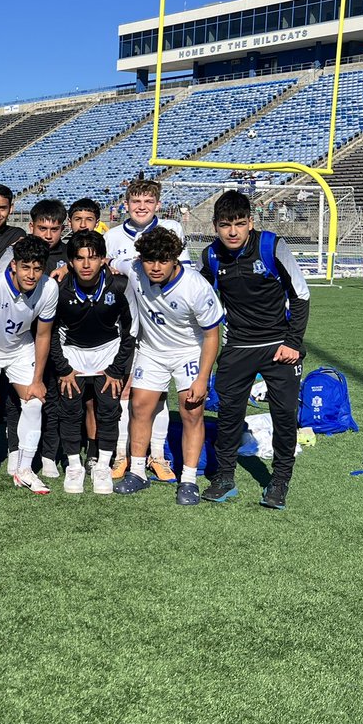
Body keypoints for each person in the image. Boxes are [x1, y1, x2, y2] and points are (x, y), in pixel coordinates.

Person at [199, 191, 310, 509]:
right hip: (237, 346)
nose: (232, 231)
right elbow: (198, 298)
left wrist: (293, 343)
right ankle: (224, 477)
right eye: (225, 225)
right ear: (216, 226)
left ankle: (279, 481)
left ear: (251, 222)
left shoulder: (271, 246)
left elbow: (300, 296)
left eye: (239, 223)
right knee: (229, 415)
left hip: (279, 347)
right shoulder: (210, 257)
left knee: (284, 415)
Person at [113, 227, 221, 505]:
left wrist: (202, 378)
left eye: (163, 260)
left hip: (188, 353)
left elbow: (211, 336)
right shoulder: (136, 269)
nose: (156, 267)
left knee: (191, 413)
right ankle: (137, 472)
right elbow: (111, 261)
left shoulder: (195, 286)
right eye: (150, 260)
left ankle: (188, 480)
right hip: (151, 351)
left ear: (175, 259)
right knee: (140, 407)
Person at [103, 179, 189, 485]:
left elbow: (185, 271)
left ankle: (157, 455)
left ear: (157, 204)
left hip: (160, 327)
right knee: (124, 392)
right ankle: (122, 454)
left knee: (158, 396)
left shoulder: (171, 230)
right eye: (136, 201)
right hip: (123, 325)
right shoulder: (112, 236)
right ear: (125, 204)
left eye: (148, 202)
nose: (142, 207)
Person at [48, 230, 135, 495]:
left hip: (107, 354)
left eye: (93, 258)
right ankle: (74, 465)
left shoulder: (119, 286)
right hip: (72, 354)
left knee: (108, 411)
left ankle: (103, 466)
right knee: (70, 410)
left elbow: (130, 331)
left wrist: (117, 369)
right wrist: (63, 368)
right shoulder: (58, 288)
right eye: (80, 258)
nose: (86, 264)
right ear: (70, 261)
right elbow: (48, 333)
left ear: (103, 260)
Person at [0, 235, 58, 496]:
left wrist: (38, 379)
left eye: (37, 268)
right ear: (14, 266)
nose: (31, 274)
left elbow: (43, 335)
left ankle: (24, 470)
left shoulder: (49, 288)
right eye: (25, 267)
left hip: (21, 347)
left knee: (33, 401)